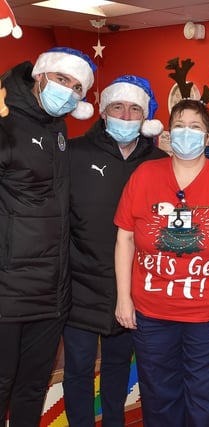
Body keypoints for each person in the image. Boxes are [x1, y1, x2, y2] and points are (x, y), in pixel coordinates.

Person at [114, 99, 209, 427]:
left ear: (208, 139)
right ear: (167, 132)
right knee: (158, 396)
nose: (186, 133)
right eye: (179, 125)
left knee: (205, 398)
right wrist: (124, 299)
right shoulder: (145, 175)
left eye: (195, 127)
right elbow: (124, 239)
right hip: (151, 314)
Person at [64, 75, 167, 427]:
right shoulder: (74, 152)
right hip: (78, 284)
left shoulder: (158, 162)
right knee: (77, 369)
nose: (125, 115)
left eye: (134, 108)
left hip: (131, 288)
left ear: (145, 117)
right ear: (104, 112)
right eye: (117, 107)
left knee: (117, 367)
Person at [0, 46, 95, 426]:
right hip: (7, 289)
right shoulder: (5, 120)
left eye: (76, 87)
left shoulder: (55, 126)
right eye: (61, 80)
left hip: (51, 293)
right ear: (40, 75)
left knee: (32, 388)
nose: (67, 92)